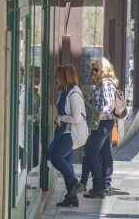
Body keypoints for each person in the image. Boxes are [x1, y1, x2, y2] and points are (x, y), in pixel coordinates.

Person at [47, 64, 88, 207]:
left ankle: (76, 184)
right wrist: (60, 119)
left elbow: (76, 118)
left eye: (57, 76)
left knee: (56, 157)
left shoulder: (74, 94)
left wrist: (61, 118)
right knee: (67, 163)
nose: (55, 79)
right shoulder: (62, 91)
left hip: (73, 133)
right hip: (64, 131)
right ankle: (72, 198)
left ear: (64, 77)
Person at [84, 58, 117, 199]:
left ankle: (98, 186)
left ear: (104, 70)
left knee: (91, 152)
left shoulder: (106, 84)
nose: (93, 72)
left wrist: (98, 113)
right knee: (104, 154)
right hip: (102, 123)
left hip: (103, 122)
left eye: (96, 69)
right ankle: (104, 185)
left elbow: (110, 105)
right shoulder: (101, 84)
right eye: (92, 69)